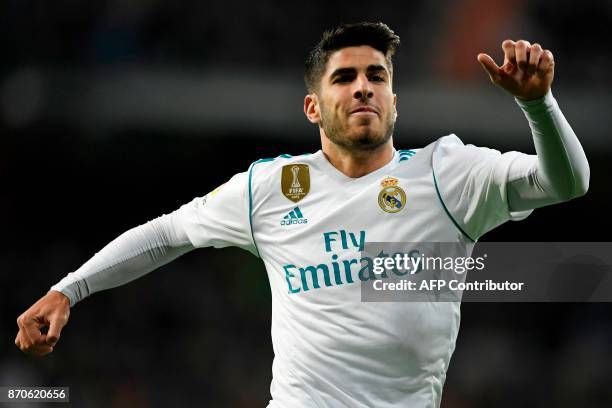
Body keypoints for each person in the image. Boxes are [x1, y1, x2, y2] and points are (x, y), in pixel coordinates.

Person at [15, 22, 589, 407]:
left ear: (394, 100)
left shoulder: (449, 172)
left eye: (377, 77)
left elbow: (566, 183)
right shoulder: (270, 187)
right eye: (345, 77)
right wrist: (71, 289)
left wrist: (537, 103)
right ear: (314, 106)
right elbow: (168, 233)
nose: (363, 87)